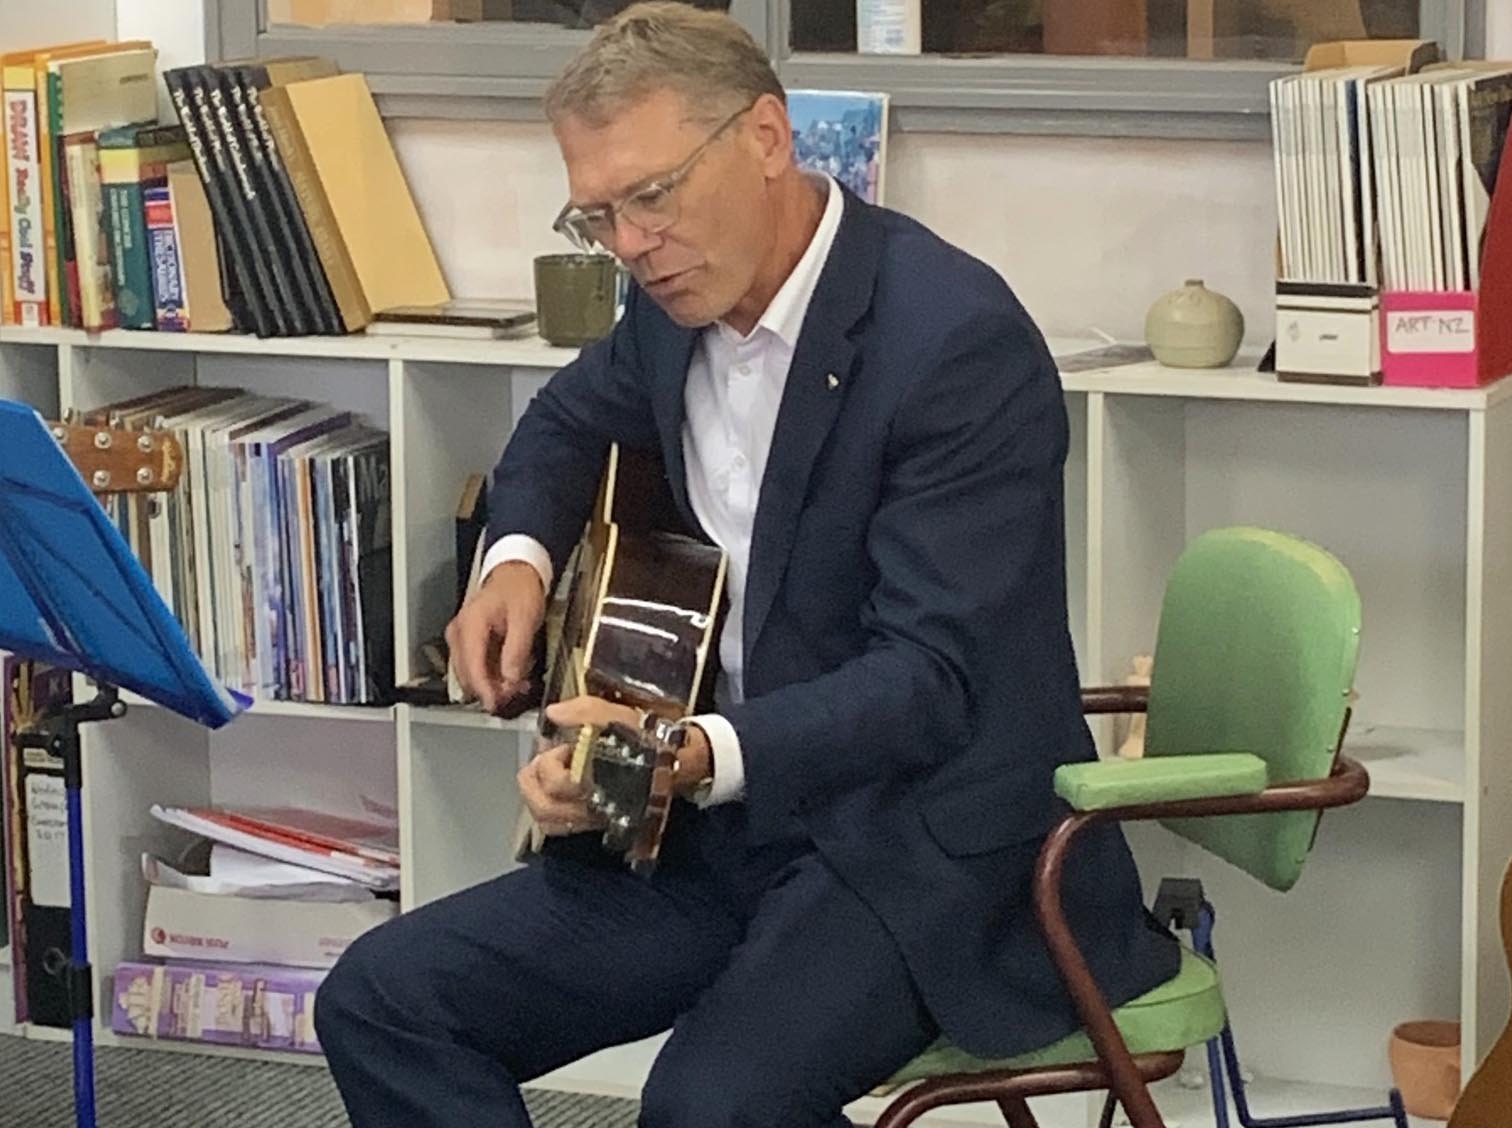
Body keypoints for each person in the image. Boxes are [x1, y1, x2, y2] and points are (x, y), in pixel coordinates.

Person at [313, 4, 1180, 1125]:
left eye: (653, 195)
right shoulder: (671, 304)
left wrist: (687, 753)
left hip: (913, 843)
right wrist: (514, 561)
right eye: (598, 215)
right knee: (384, 1000)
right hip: (717, 822)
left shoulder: (954, 342)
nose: (630, 243)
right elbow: (566, 424)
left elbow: (932, 680)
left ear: (767, 138)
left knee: (709, 1110)